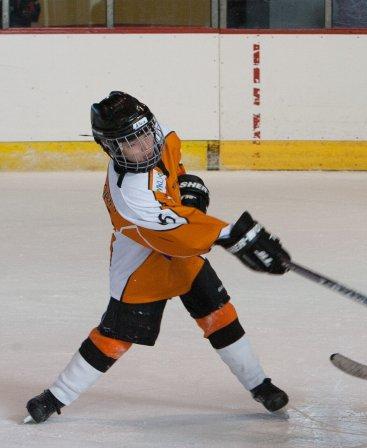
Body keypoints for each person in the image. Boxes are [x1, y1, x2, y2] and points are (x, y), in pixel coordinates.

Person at [25, 91, 292, 423]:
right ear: (110, 148)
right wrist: (238, 236)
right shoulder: (130, 193)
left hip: (181, 252)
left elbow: (173, 172)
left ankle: (260, 385)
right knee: (116, 336)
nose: (144, 146)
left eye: (145, 135)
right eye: (130, 144)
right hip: (142, 265)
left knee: (219, 314)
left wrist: (186, 187)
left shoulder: (155, 134)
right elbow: (178, 232)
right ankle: (56, 396)